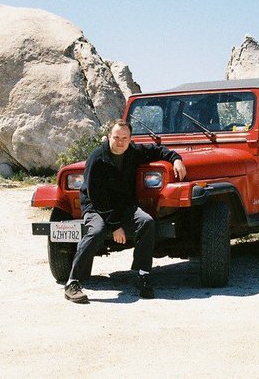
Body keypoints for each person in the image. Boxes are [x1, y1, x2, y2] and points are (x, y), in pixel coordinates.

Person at [64, 119, 187, 303]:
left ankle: (142, 274)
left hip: (124, 206)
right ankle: (73, 282)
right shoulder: (97, 159)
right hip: (96, 208)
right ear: (108, 137)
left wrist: (176, 159)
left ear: (130, 138)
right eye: (116, 137)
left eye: (124, 137)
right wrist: (115, 226)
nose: (120, 141)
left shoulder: (132, 152)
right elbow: (97, 197)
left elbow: (157, 150)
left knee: (146, 222)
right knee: (96, 231)